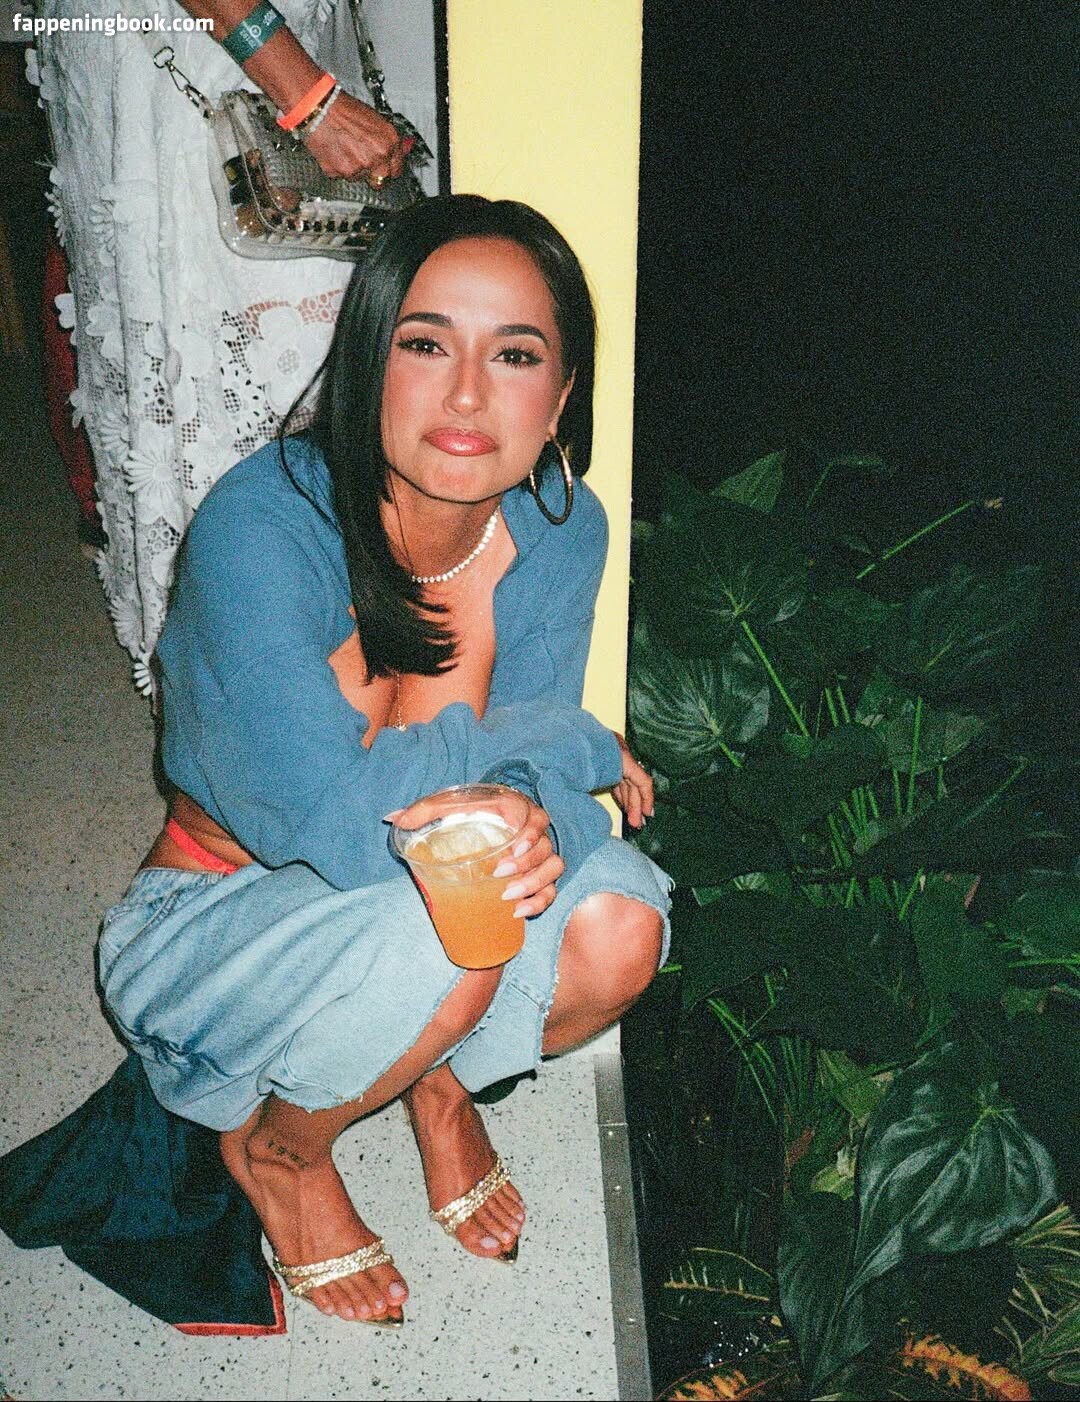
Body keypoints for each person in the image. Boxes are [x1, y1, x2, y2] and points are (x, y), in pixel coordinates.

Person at [1, 194, 671, 1331]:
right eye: (426, 345)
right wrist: (567, 743)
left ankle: (435, 1085)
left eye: (516, 355)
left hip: (404, 900)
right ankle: (282, 1151)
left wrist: (532, 784)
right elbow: (341, 824)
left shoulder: (562, 524)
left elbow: (536, 776)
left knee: (622, 924)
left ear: (561, 396)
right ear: (368, 364)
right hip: (208, 922)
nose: (469, 395)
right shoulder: (262, 528)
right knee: (458, 910)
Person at [33, 0, 415, 689]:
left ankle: (302, 677)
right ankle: (249, 693)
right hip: (201, 50)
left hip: (262, 44)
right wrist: (309, 98)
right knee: (257, 389)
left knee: (295, 383)